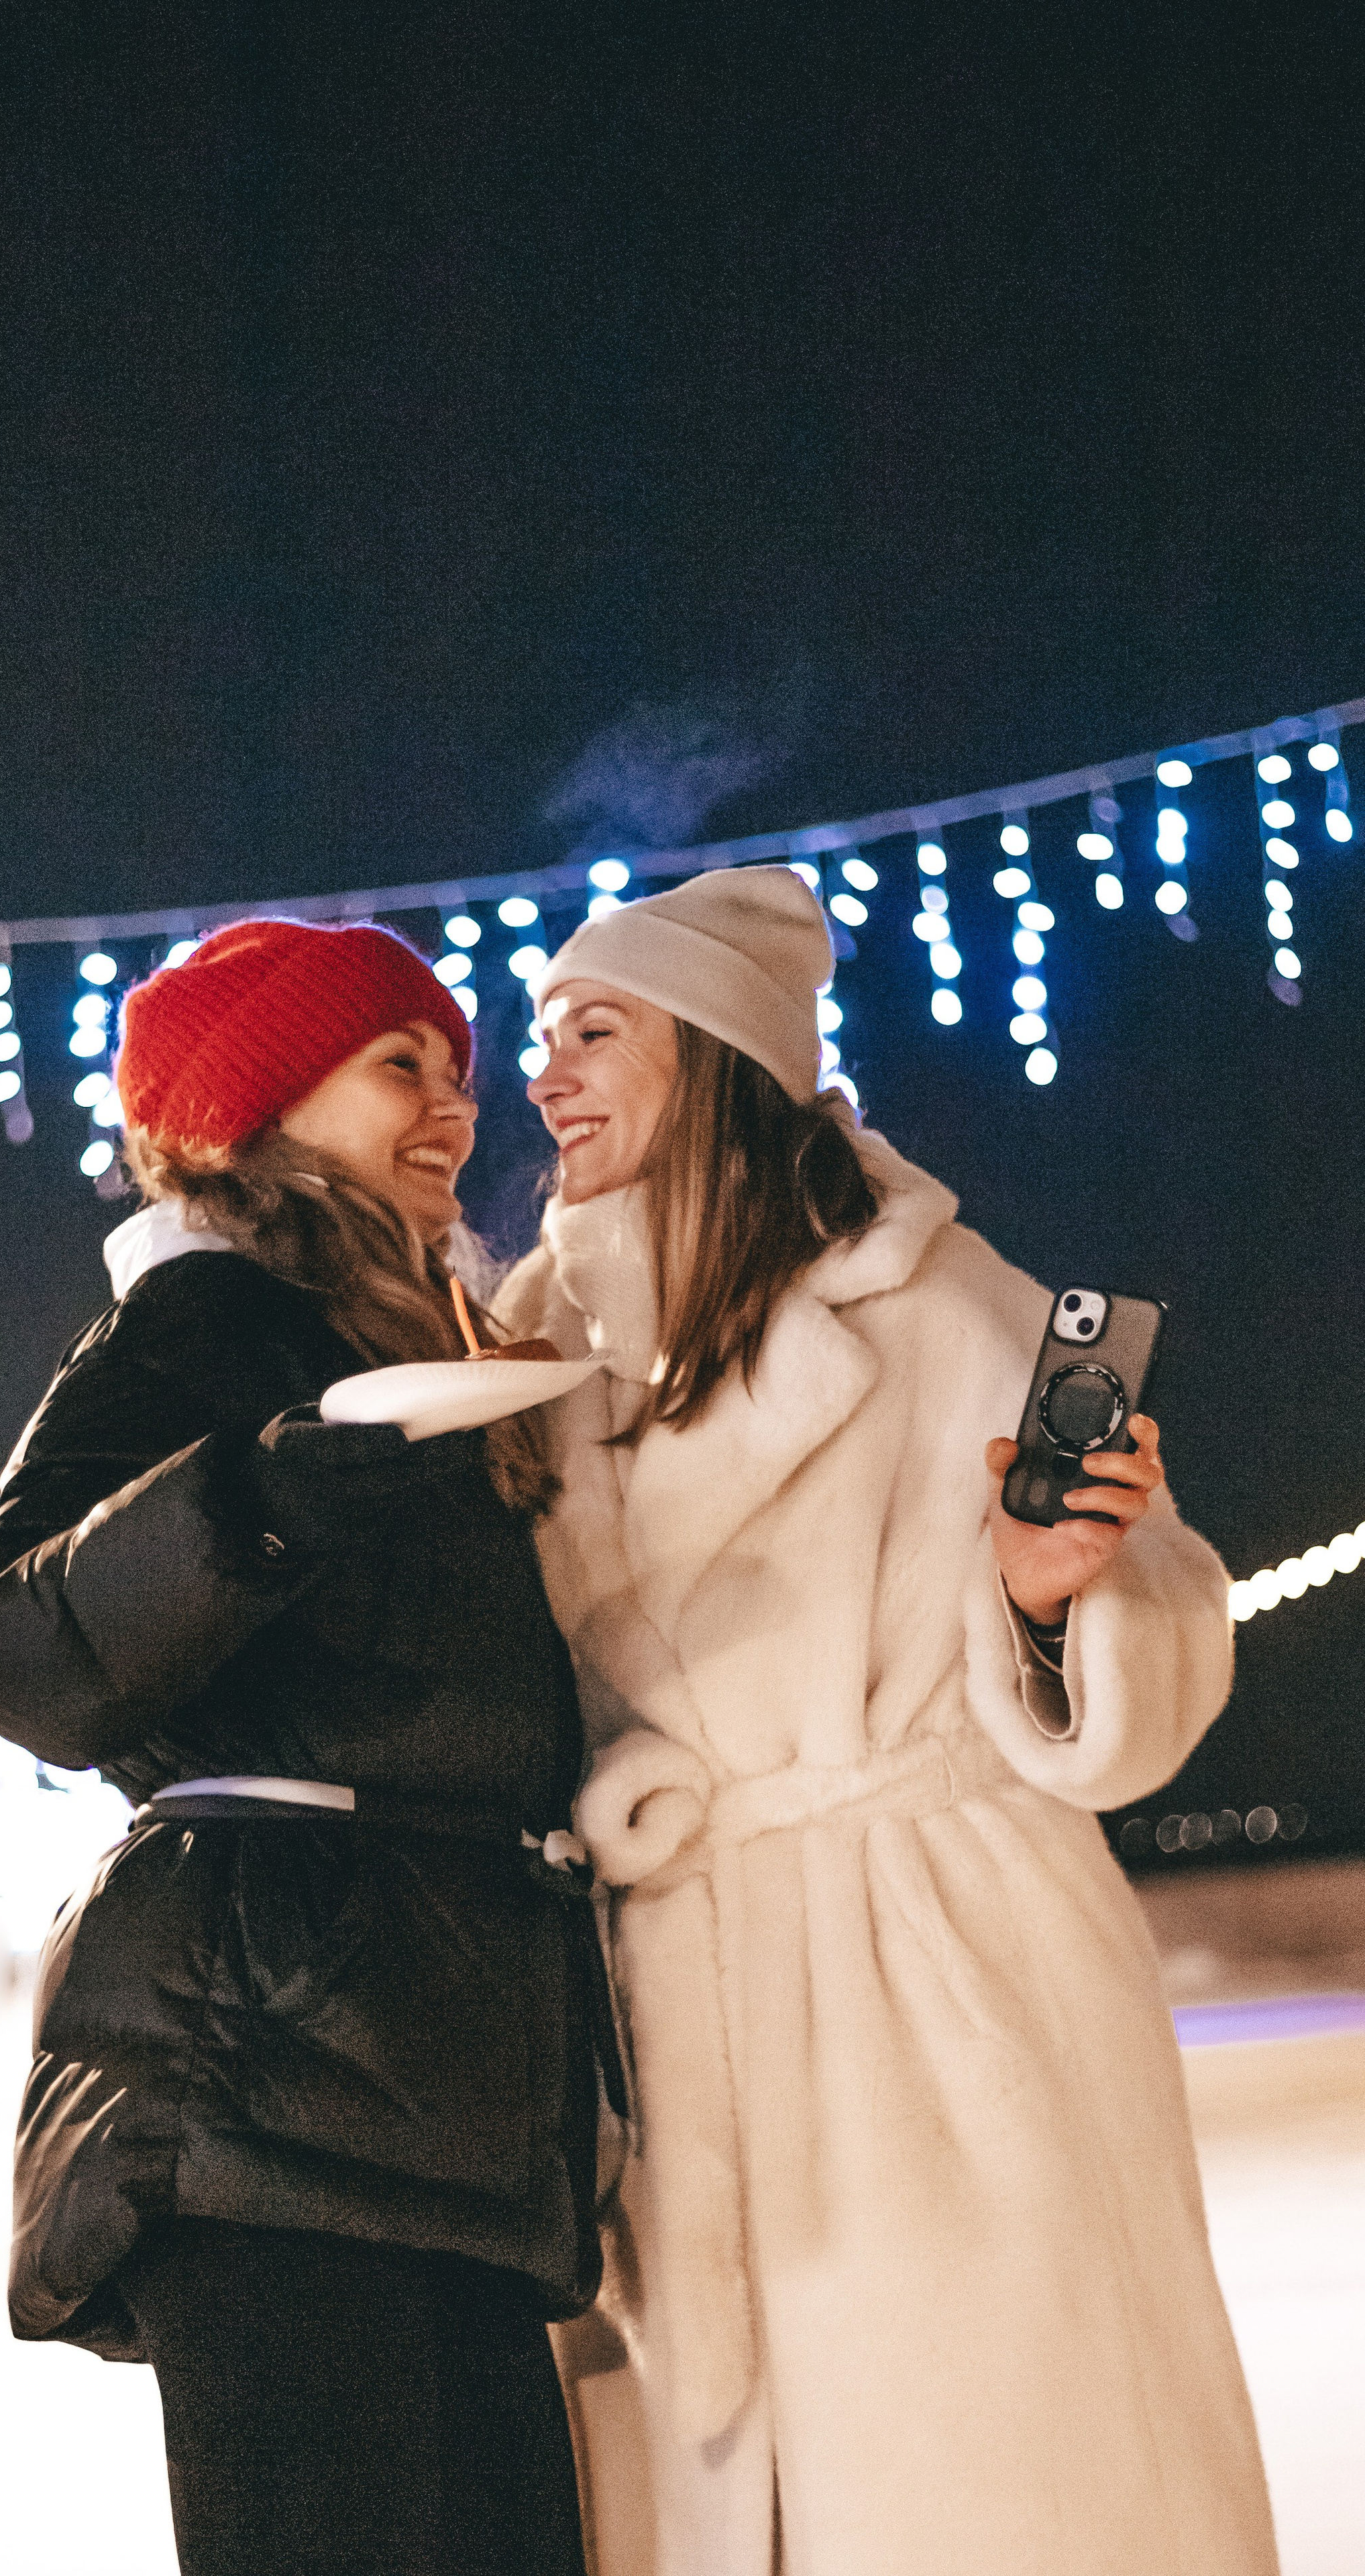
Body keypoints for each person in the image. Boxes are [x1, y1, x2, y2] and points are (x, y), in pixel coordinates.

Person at [495, 866, 1278, 2576]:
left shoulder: (937, 1308)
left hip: (936, 1995)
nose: (539, 1074)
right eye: (538, 1035)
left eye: (594, 1032)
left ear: (716, 1057)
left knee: (991, 2490)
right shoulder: (525, 1354)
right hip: (670, 2013)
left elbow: (1161, 1638)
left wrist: (1050, 1593)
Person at [0, 918, 610, 2576]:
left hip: (443, 2077)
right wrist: (260, 1497)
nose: (454, 1106)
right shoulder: (200, 1326)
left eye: (457, 1072)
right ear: (260, 1102)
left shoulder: (410, 1346)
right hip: (263, 2076)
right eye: (402, 1066)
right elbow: (13, 1642)